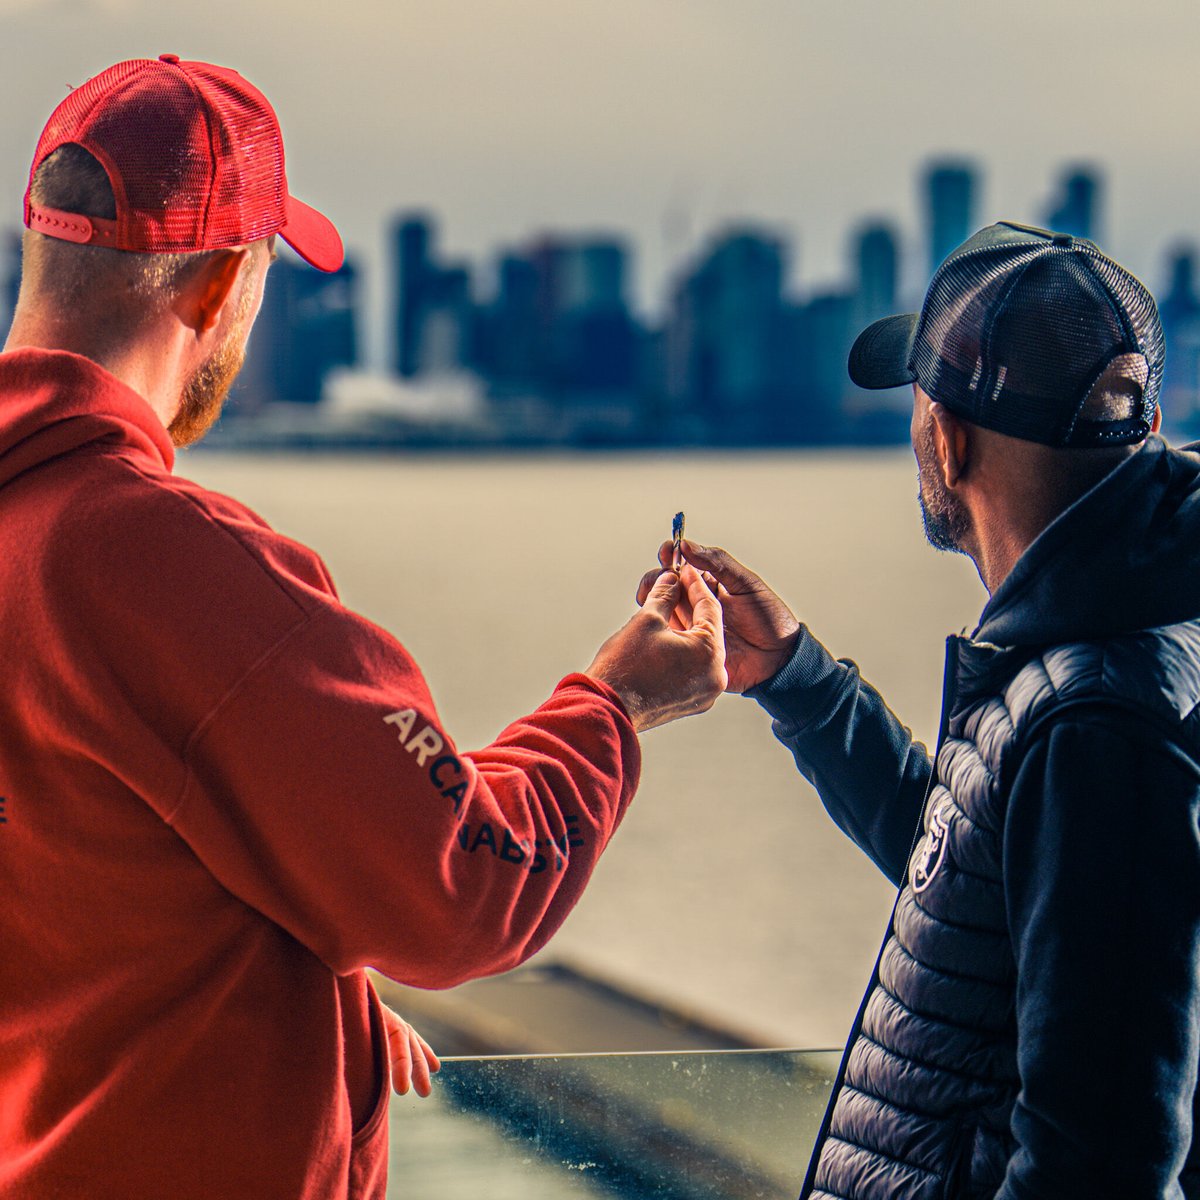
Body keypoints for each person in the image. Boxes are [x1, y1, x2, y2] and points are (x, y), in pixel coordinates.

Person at [0, 56, 726, 1199]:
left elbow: (87, 877)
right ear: (219, 283)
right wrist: (617, 702)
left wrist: (314, 988)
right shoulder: (168, 567)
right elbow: (464, 889)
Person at [642, 222, 1200, 1197]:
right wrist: (799, 677)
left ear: (947, 436)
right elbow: (979, 887)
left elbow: (1098, 1157)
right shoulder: (1093, 640)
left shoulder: (1097, 715)